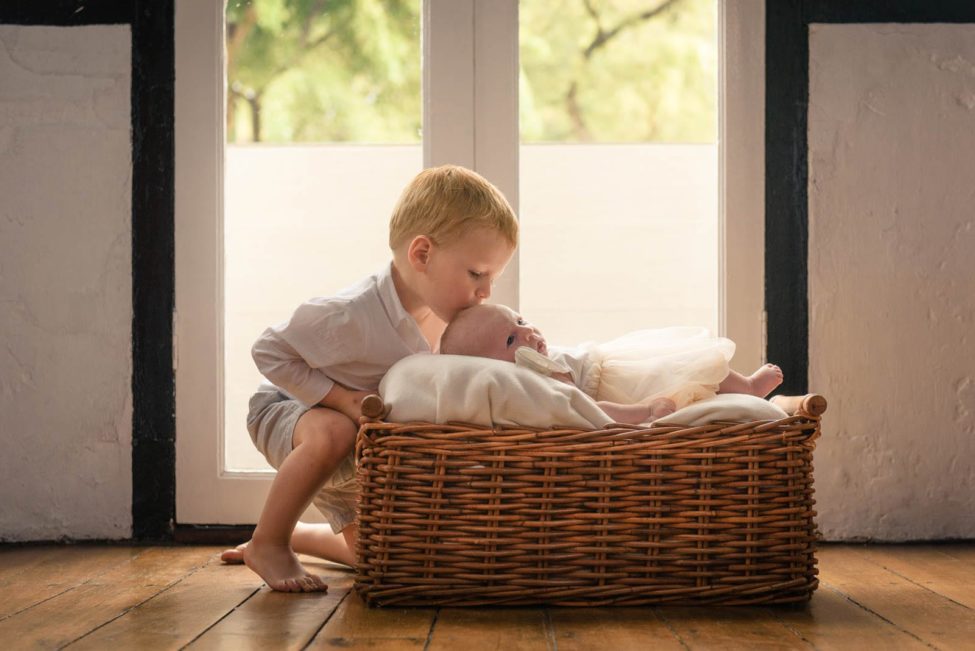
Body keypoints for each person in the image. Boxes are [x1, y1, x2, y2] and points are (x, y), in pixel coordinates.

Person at [221, 165, 519, 592]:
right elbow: (268, 350)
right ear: (422, 255)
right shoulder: (349, 315)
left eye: (493, 277)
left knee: (392, 559)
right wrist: (340, 398)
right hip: (289, 410)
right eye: (477, 274)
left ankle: (304, 535)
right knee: (334, 429)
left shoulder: (447, 315)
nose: (486, 291)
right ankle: (269, 542)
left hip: (359, 441)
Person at [439, 303, 783, 426]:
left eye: (521, 321)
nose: (528, 333)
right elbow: (585, 409)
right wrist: (643, 412)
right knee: (683, 373)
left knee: (688, 359)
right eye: (511, 340)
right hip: (620, 386)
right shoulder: (534, 383)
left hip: (613, 358)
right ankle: (747, 389)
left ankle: (747, 386)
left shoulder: (538, 358)